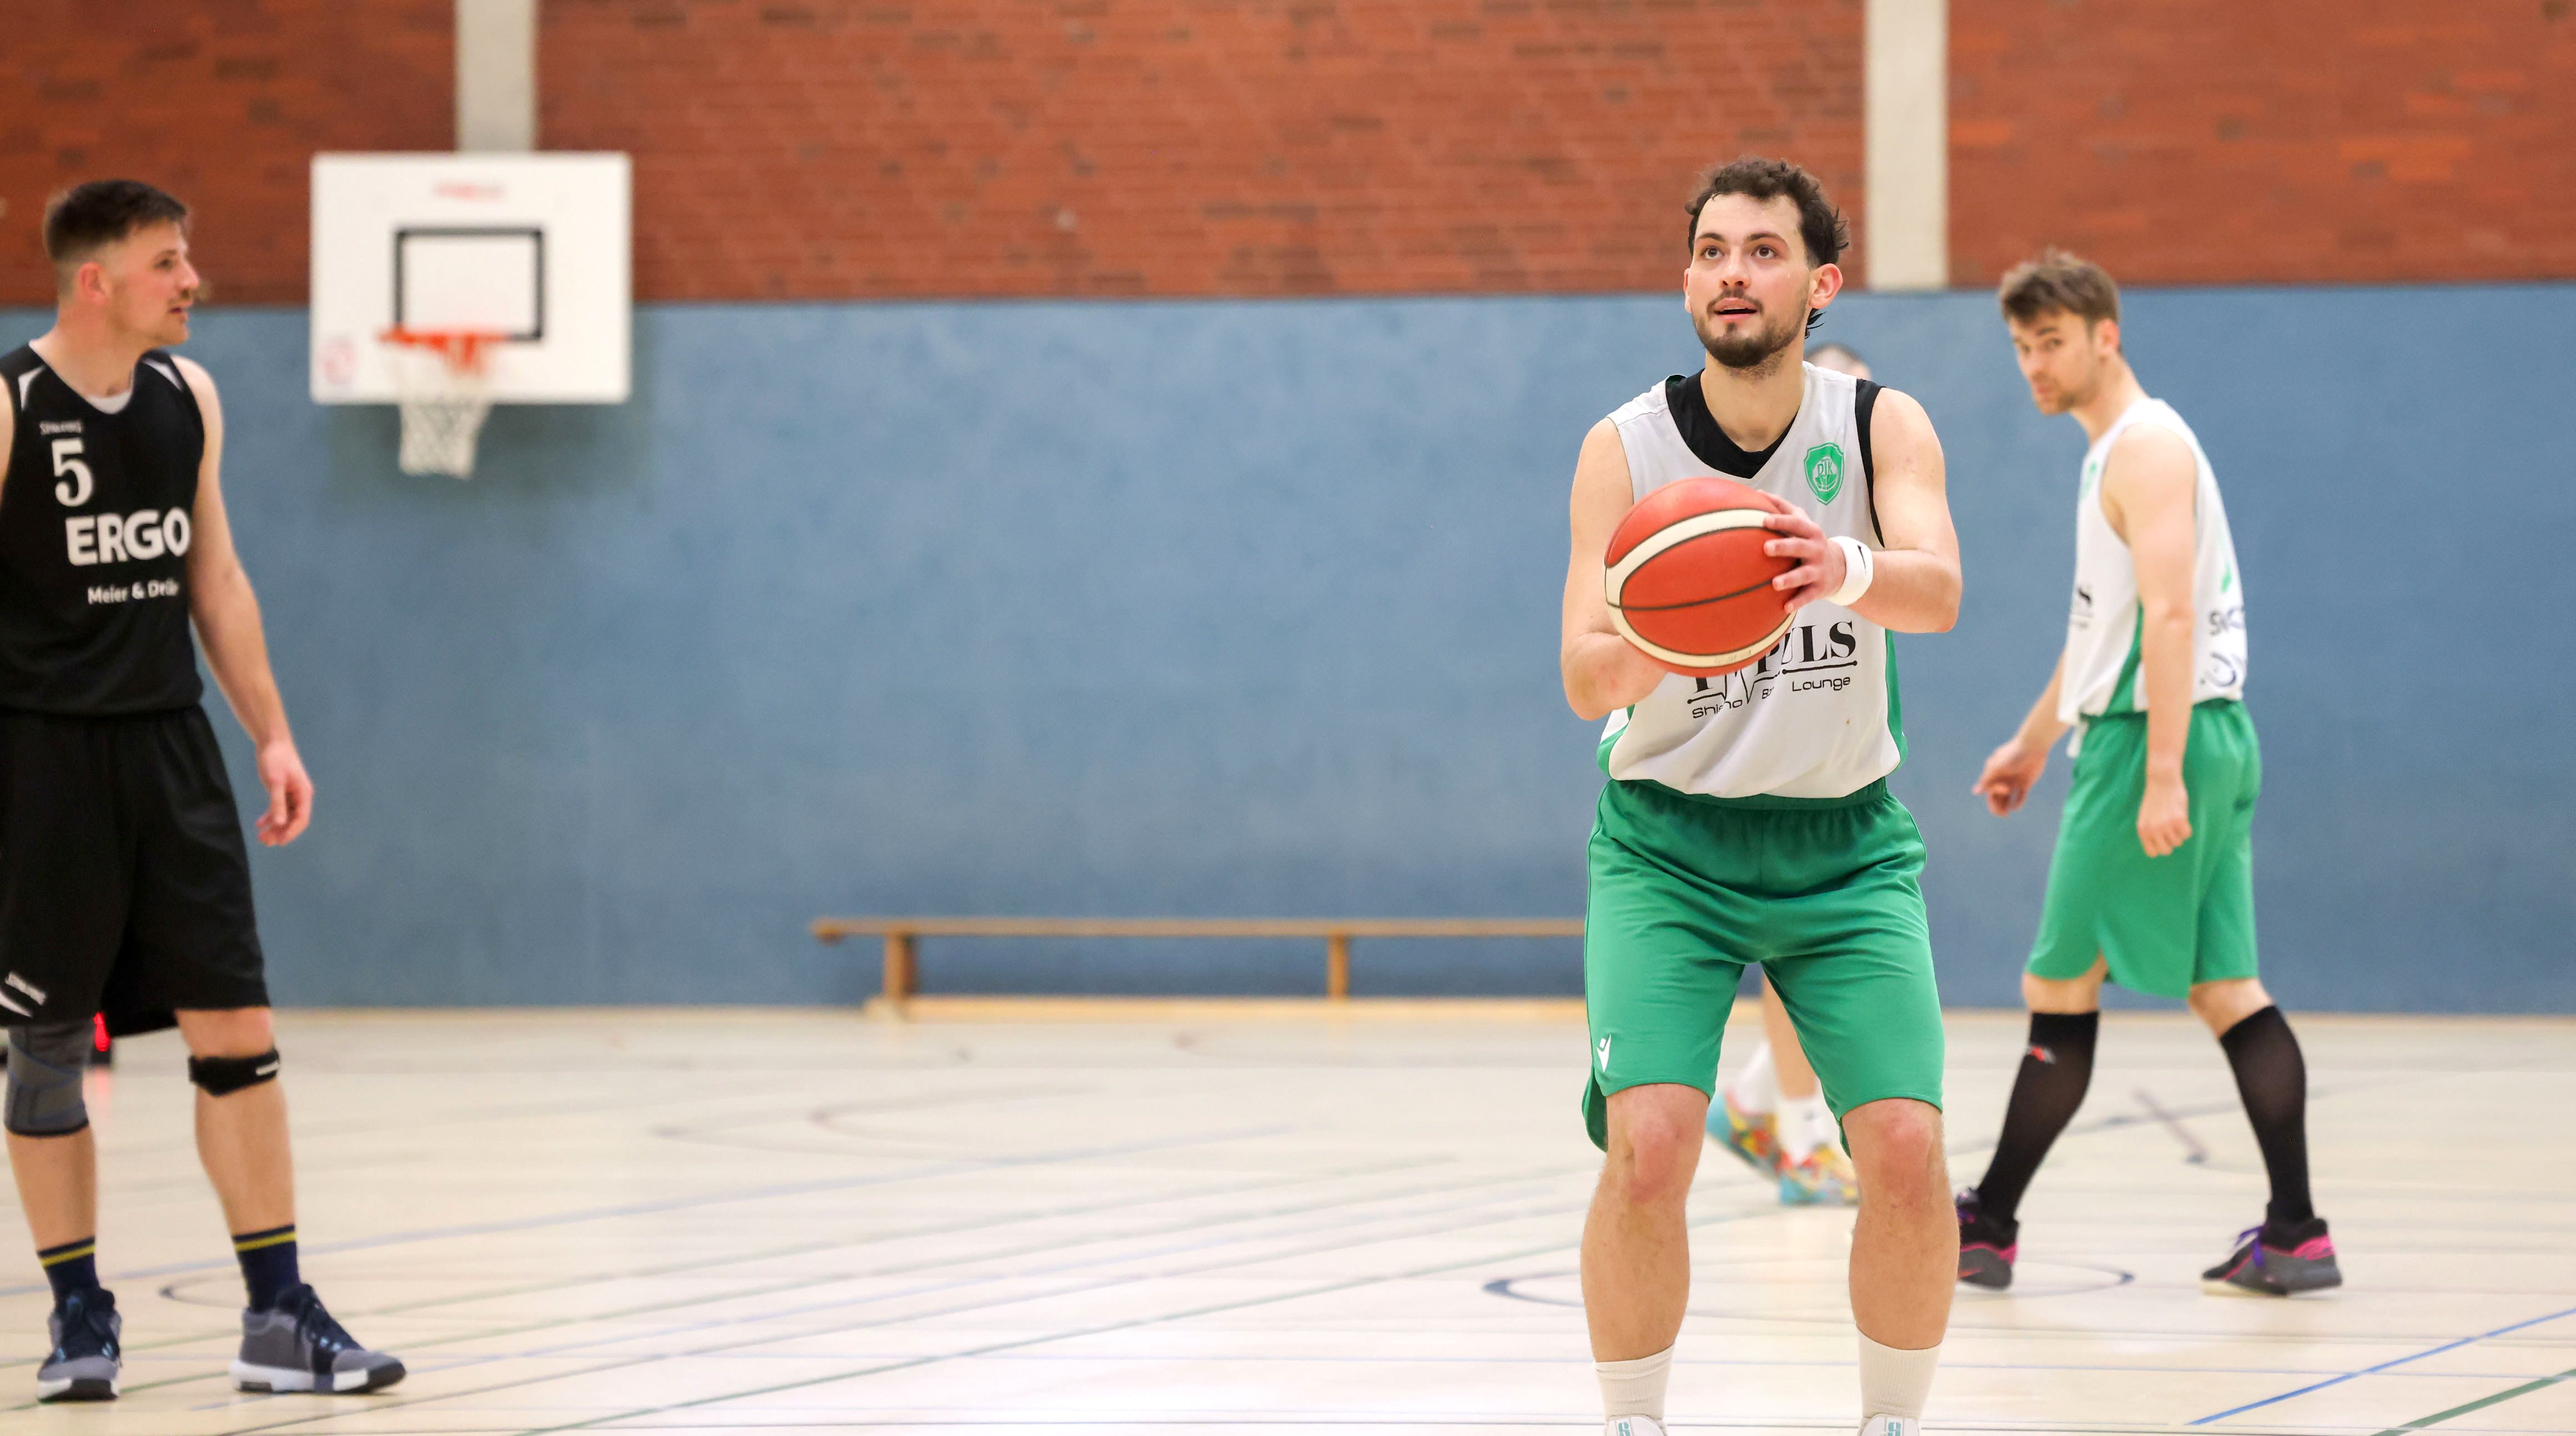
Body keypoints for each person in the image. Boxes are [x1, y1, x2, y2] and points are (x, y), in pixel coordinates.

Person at [1561, 157, 1963, 1436]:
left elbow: (1939, 592)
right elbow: (1581, 673)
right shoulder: (1623, 448)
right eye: (1712, 251)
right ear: (1688, 281)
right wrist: (1672, 637)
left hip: (1844, 848)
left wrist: (1837, 568)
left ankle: (1890, 1421)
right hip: (1667, 847)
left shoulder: (1879, 425)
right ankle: (1633, 1421)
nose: (1733, 273)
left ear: (1820, 283)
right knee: (1651, 1147)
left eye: (1764, 251)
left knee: (1904, 1152)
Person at [0, 179, 405, 1401]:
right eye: (167, 262)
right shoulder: (11, 408)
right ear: (96, 281)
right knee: (47, 1048)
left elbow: (214, 580)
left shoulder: (191, 397)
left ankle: (279, 1313)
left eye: (187, 258)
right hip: (42, 763)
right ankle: (79, 1314)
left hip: (173, 754)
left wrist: (272, 735)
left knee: (238, 1028)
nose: (191, 281)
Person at [1956, 251, 2338, 1298]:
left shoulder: (2147, 448)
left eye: (2052, 343)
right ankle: (2296, 1232)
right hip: (2198, 733)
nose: (2035, 365)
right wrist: (2035, 740)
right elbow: (2107, 633)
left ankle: (1987, 1222)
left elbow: (2170, 618)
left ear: (2106, 336)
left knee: (2059, 982)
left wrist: (2160, 771)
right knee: (2226, 987)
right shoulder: (2116, 453)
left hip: (2152, 745)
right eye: (2022, 347)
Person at [1702, 339, 1876, 1209]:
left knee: (1832, 958)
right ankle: (1802, 1133)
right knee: (1792, 947)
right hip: (1742, 772)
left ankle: (1751, 1100)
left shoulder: (1869, 498)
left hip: (1841, 757)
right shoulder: (1734, 498)